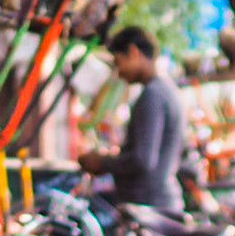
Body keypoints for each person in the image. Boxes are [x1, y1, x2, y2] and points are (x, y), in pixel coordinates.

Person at [78, 25, 186, 213]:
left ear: (133, 52)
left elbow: (142, 160)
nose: (119, 72)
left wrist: (102, 162)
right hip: (158, 202)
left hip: (150, 206)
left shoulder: (153, 95)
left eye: (119, 62)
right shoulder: (165, 90)